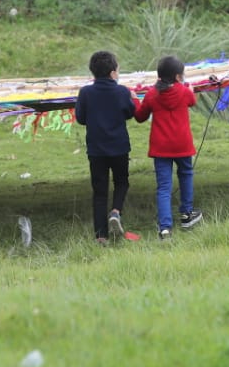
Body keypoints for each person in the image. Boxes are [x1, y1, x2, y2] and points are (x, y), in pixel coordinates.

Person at [134, 55, 202, 239]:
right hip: (182, 144)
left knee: (164, 186)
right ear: (179, 77)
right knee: (186, 175)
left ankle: (165, 228)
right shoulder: (184, 91)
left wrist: (134, 100)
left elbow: (140, 117)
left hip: (161, 147)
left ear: (159, 75)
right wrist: (191, 89)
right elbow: (192, 101)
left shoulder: (151, 94)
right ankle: (187, 214)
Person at [74, 50, 137, 245]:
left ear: (93, 72)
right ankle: (116, 211)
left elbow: (81, 118)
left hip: (96, 150)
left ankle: (101, 236)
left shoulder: (85, 93)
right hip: (119, 147)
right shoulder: (122, 91)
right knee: (122, 182)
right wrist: (132, 98)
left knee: (99, 191)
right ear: (112, 72)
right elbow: (129, 113)